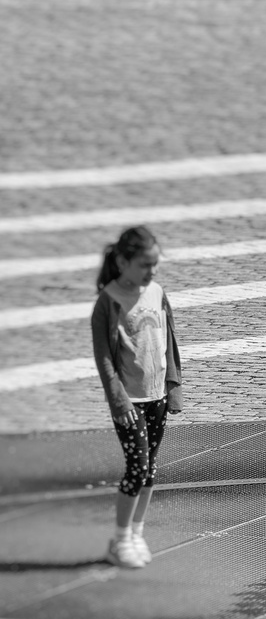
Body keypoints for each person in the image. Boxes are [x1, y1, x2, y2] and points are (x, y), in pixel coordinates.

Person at [91, 226, 183, 569]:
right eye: (145, 264)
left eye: (155, 263)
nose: (152, 271)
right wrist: (118, 399)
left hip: (156, 395)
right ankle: (119, 540)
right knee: (137, 467)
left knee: (150, 470)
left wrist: (173, 386)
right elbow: (103, 357)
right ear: (123, 261)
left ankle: (136, 533)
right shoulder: (109, 301)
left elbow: (168, 340)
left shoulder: (156, 291)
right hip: (129, 401)